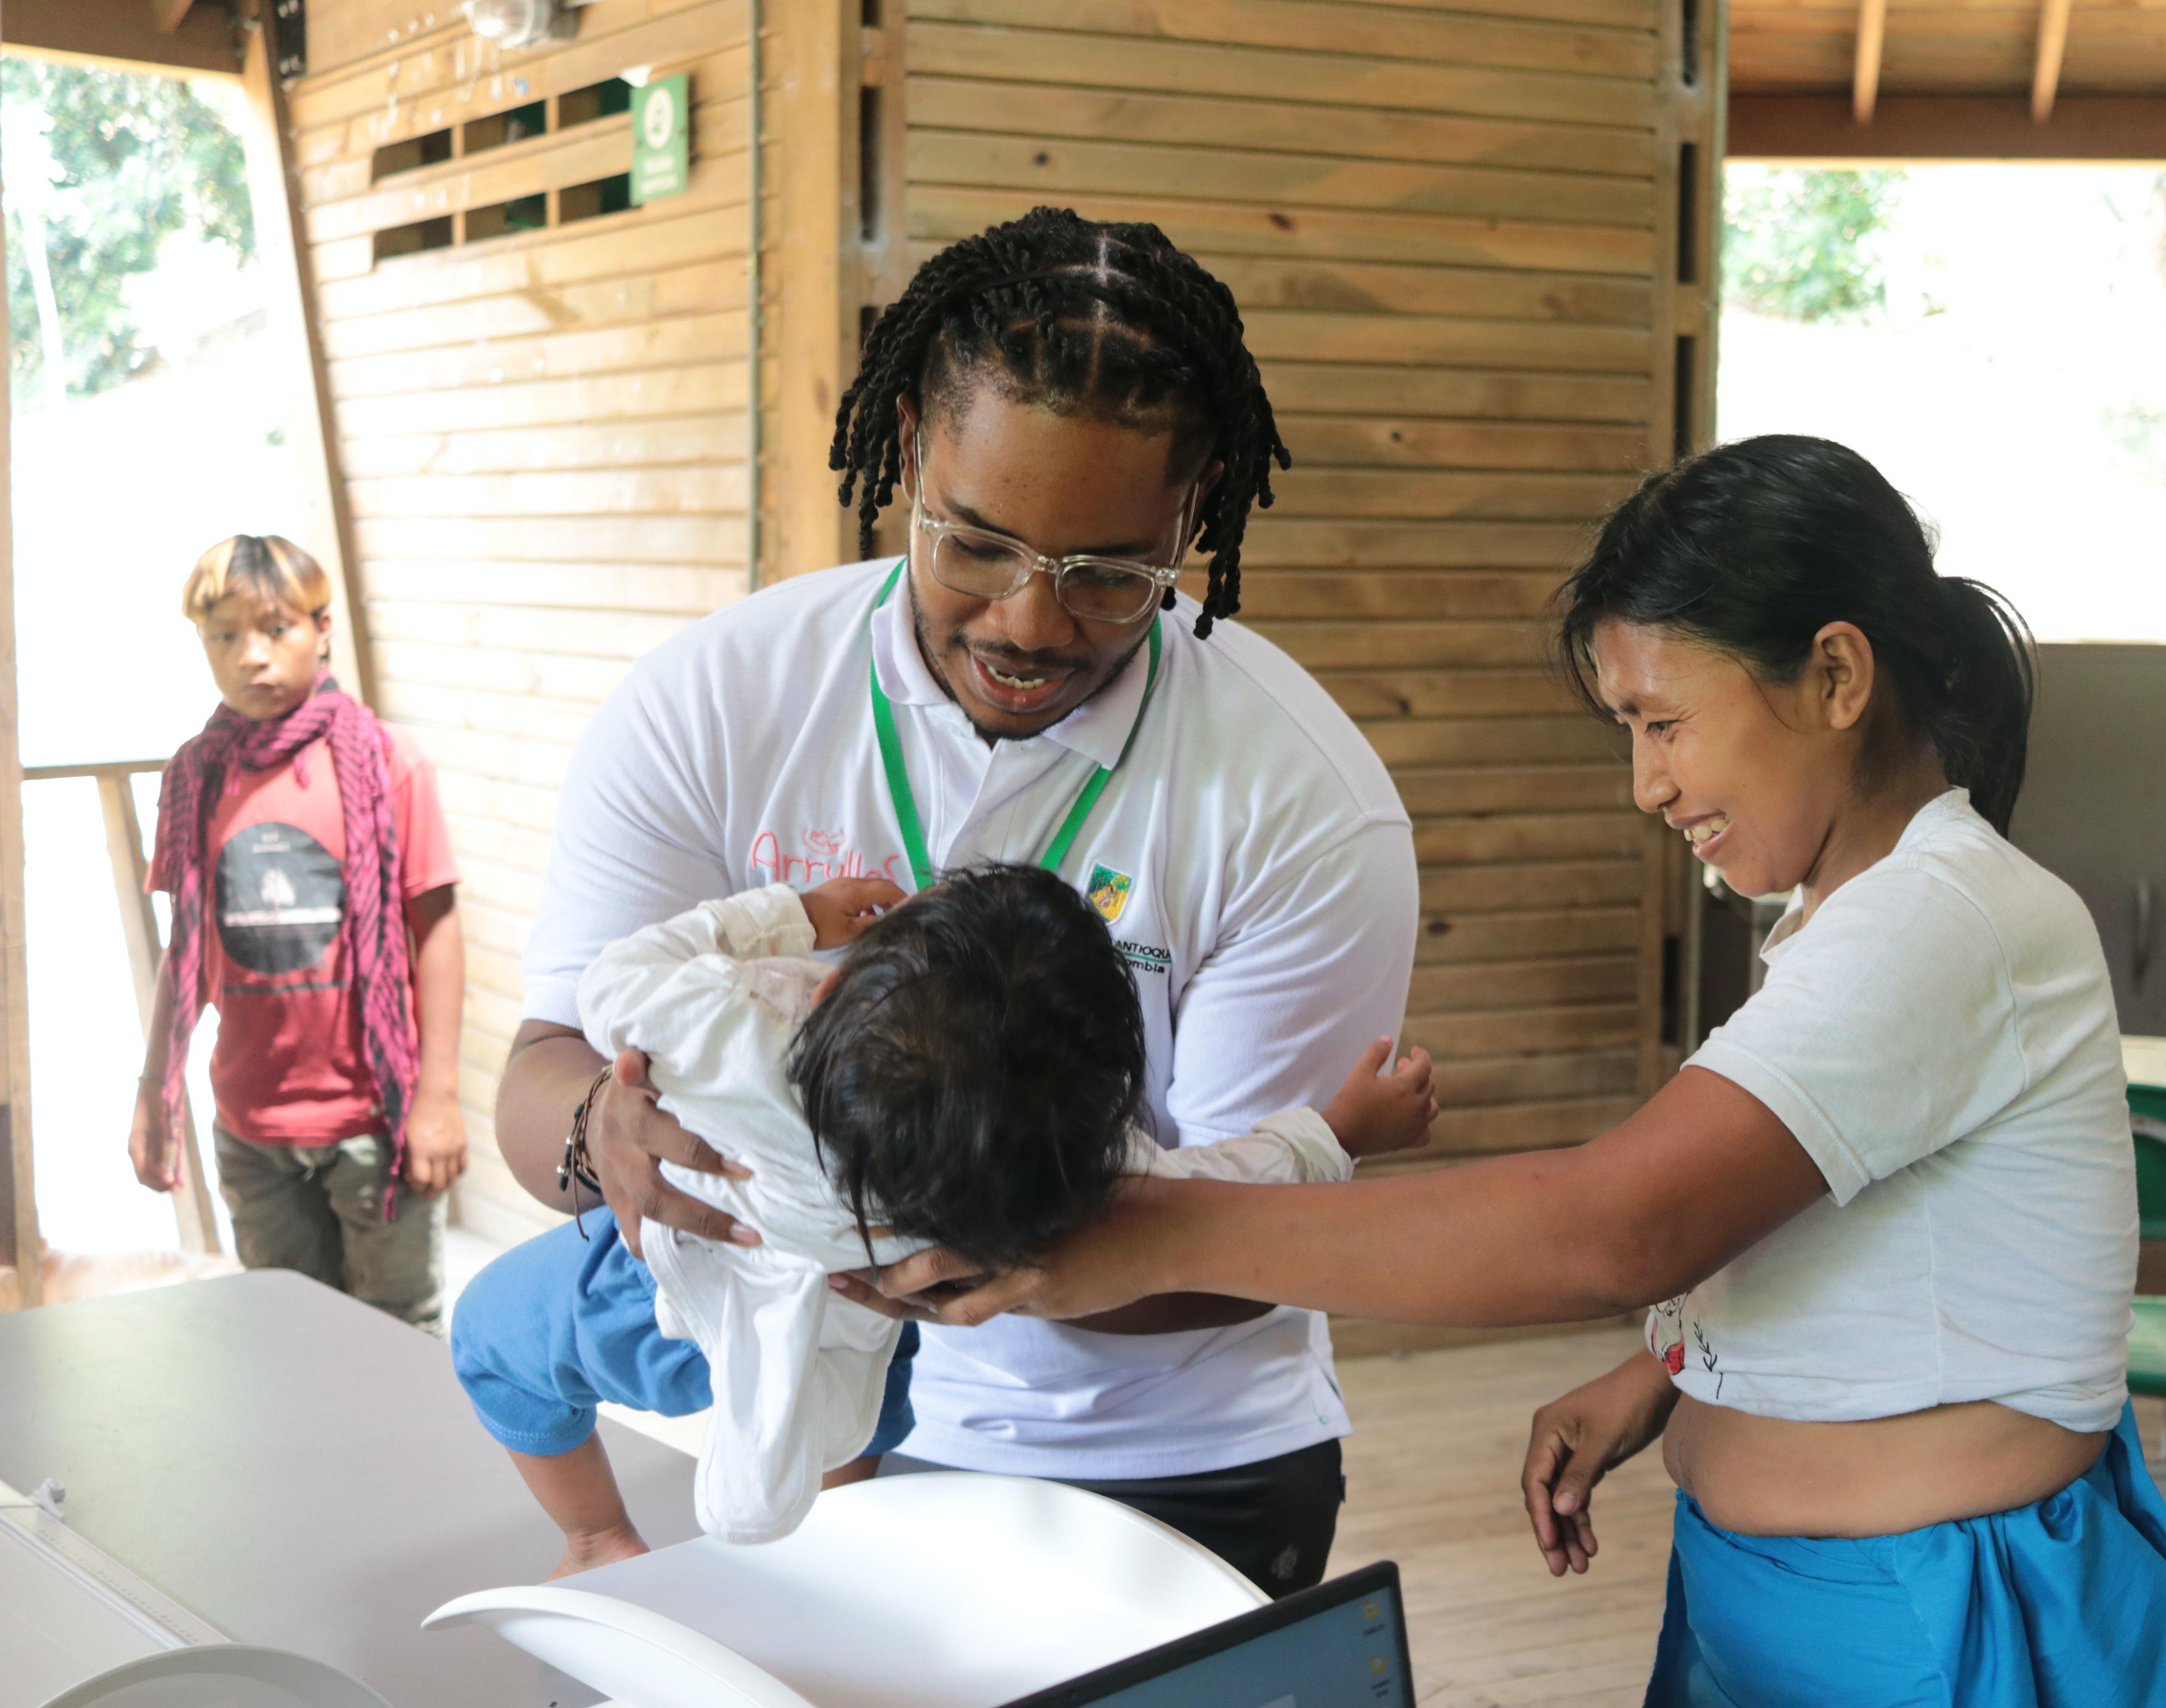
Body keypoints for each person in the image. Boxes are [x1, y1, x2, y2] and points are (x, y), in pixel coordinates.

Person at [860, 437, 2166, 1707]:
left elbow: (1614, 1225)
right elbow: (1876, 1245)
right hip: (1800, 1587)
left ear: (1837, 679)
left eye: (1662, 722)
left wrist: (1135, 1230)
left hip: (1934, 1614)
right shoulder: (1842, 918)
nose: (1646, 784)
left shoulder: (1940, 919)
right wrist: (1674, 1374)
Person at [490, 207, 1420, 1597]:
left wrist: (917, 1240)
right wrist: (601, 1134)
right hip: (834, 1435)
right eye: (974, 545)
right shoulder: (712, 702)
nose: (1030, 626)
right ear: (913, 441)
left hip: (1158, 1452)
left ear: (1196, 504)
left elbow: (1244, 1248)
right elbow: (543, 1076)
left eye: (1110, 574)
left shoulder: (1300, 802)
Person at [453, 865, 1434, 1576]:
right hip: (859, 1346)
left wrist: (787, 913)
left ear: (830, 986)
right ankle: (815, 1557)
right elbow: (1221, 1176)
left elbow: (618, 977)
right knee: (847, 1443)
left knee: (491, 1341)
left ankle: (594, 1537)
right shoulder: (1065, 1163)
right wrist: (1340, 1131)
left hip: (664, 1284)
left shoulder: (739, 1043)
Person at [131, 534, 467, 1331]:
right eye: (225, 635)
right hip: (253, 1121)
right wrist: (155, 1089)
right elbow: (188, 950)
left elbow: (439, 932)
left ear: (322, 628)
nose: (252, 656)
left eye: (275, 628)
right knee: (286, 1332)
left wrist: (438, 1100)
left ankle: (401, 1461)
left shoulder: (388, 762)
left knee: (400, 1332)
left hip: (374, 1121)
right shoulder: (195, 777)